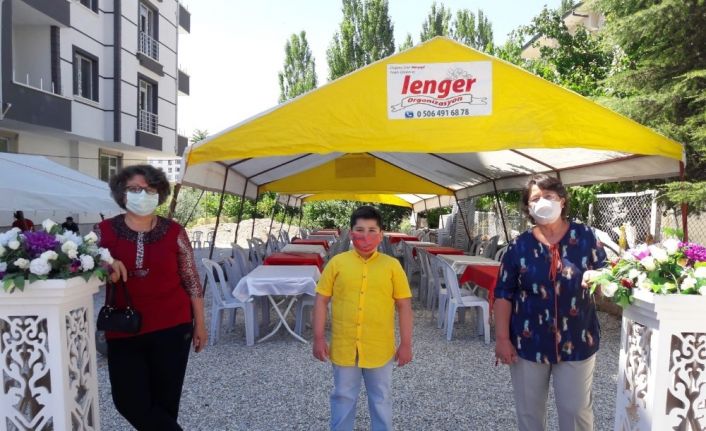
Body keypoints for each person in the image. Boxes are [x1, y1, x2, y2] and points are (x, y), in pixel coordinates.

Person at [494, 174, 607, 431]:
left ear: (562, 200)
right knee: (529, 413)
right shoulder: (519, 246)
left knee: (576, 411)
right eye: (535, 198)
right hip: (528, 342)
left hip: (578, 339)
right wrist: (502, 339)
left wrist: (600, 278)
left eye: (549, 196)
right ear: (528, 207)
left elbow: (607, 273)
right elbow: (503, 294)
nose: (542, 202)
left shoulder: (586, 236)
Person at [99, 165, 207, 431]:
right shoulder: (103, 231)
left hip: (173, 326)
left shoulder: (174, 231)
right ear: (122, 193)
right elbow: (83, 260)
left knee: (165, 403)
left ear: (159, 194)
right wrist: (106, 263)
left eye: (149, 190)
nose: (142, 194)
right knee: (128, 401)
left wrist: (201, 325)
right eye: (134, 189)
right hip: (124, 328)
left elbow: (191, 280)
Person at [312, 205, 413, 431]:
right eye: (360, 230)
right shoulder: (337, 263)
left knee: (381, 398)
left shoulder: (392, 266)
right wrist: (318, 337)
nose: (365, 236)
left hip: (380, 347)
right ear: (350, 233)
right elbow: (321, 300)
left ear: (381, 234)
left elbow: (404, 306)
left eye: (372, 230)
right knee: (343, 397)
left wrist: (406, 343)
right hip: (344, 345)